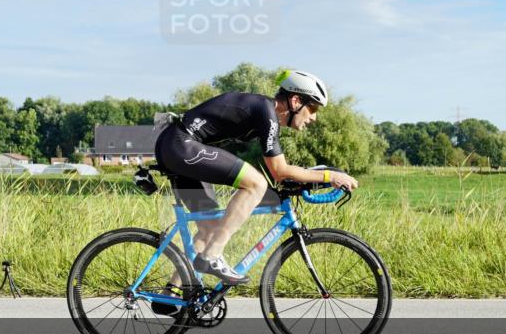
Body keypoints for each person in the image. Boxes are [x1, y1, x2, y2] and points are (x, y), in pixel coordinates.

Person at [153, 70, 359, 286]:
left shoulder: (265, 114)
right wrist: (330, 175)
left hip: (177, 147)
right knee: (256, 183)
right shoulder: (266, 111)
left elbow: (280, 172)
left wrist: (315, 178)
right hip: (181, 145)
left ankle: (172, 295)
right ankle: (213, 256)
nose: (314, 117)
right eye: (313, 108)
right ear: (296, 100)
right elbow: (279, 170)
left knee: (209, 229)